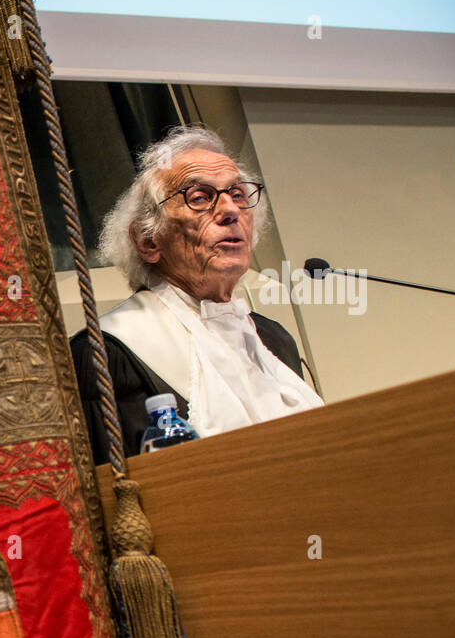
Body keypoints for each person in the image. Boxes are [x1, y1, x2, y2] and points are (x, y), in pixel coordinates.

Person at [72, 126, 323, 463]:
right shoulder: (106, 354)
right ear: (148, 241)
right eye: (200, 197)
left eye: (237, 194)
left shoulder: (275, 339)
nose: (230, 211)